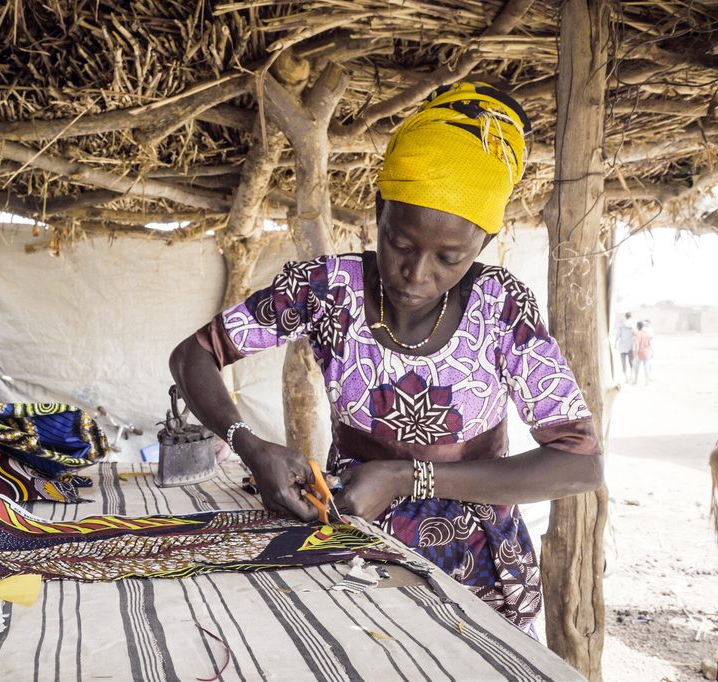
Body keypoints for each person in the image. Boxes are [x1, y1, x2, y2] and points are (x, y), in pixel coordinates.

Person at [169, 82, 603, 636]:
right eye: (400, 243)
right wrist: (248, 445)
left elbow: (580, 463)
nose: (417, 274)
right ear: (378, 210)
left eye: (450, 257)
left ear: (484, 242)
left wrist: (403, 478)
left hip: (477, 568)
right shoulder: (326, 289)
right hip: (347, 538)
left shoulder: (500, 307)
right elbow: (193, 356)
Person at [615, 312, 636, 382]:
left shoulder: (621, 324)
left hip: (622, 346)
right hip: (630, 346)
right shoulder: (633, 324)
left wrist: (615, 343)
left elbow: (618, 335)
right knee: (631, 361)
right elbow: (635, 334)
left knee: (623, 362)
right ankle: (631, 375)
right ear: (630, 316)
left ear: (625, 317)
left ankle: (626, 377)